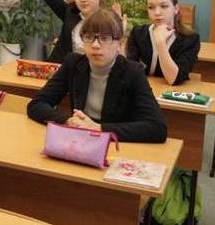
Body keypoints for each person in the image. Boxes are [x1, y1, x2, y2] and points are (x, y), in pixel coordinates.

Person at [27, 8, 167, 143]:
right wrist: (69, 121)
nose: (95, 45)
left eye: (104, 38)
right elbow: (36, 104)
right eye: (89, 37)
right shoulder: (73, 63)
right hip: (79, 142)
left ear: (120, 44)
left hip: (116, 145)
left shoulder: (132, 72)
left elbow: (158, 128)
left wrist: (99, 128)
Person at [125, 0, 200, 85]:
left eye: (164, 6)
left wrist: (161, 43)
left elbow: (173, 79)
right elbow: (130, 73)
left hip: (172, 93)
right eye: (151, 7)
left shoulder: (190, 39)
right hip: (144, 90)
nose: (157, 12)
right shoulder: (137, 34)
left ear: (176, 9)